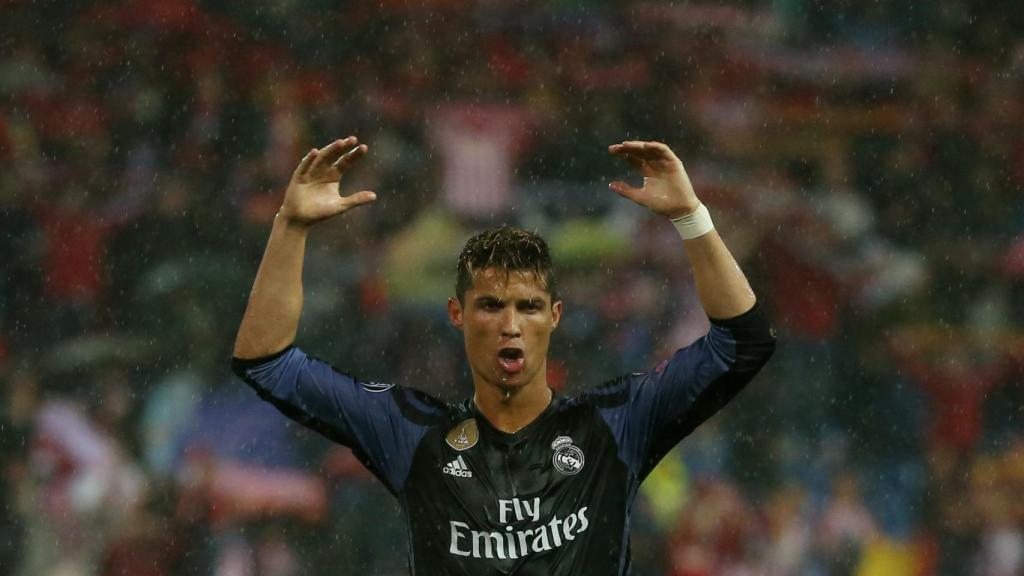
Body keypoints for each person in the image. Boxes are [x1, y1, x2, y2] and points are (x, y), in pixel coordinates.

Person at [232, 136, 776, 574]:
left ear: (555, 316)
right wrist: (290, 227)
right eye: (491, 305)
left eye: (529, 307)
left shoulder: (616, 424)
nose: (511, 326)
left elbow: (744, 342)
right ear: (457, 315)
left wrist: (691, 218)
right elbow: (266, 362)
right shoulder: (410, 434)